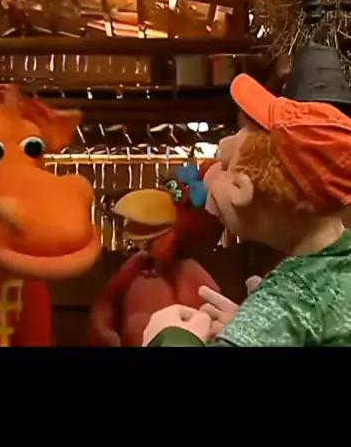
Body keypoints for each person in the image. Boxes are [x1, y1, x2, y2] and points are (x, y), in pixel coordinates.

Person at [144, 69, 351, 347]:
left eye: (226, 165)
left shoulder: (292, 294)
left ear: (242, 190)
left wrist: (168, 337)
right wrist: (252, 327)